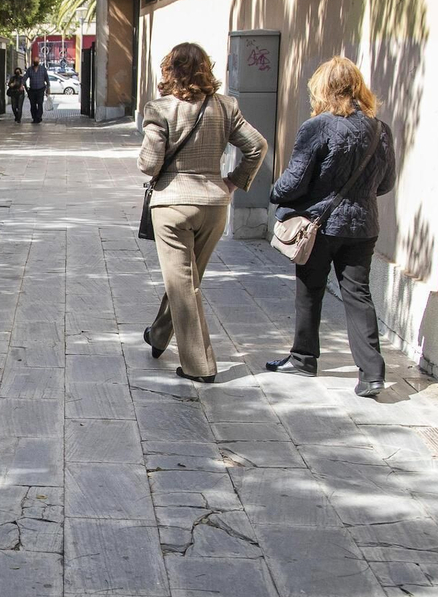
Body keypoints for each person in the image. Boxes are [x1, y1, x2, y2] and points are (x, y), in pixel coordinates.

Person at [265, 56, 396, 398]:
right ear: (358, 88)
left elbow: (294, 181)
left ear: (323, 89)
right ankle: (372, 374)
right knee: (358, 294)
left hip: (320, 224)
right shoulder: (380, 129)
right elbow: (385, 184)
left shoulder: (318, 126)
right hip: (363, 225)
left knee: (310, 290)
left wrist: (275, 193)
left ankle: (304, 358)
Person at [138, 42, 267, 383]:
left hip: (172, 205)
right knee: (187, 280)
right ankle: (159, 334)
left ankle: (200, 366)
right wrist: (233, 182)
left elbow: (149, 164)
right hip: (214, 204)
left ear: (170, 70)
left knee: (183, 285)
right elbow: (257, 145)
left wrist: (150, 159)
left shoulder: (160, 109)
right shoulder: (226, 106)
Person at [25, 55, 50, 123]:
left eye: (37, 60)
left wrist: (48, 88)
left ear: (39, 61)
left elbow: (47, 78)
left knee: (40, 103)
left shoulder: (43, 69)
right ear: (33, 62)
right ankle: (34, 118)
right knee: (32, 105)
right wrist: (22, 85)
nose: (35, 62)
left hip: (40, 89)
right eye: (34, 60)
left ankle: (39, 117)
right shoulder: (30, 70)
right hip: (32, 90)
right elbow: (25, 78)